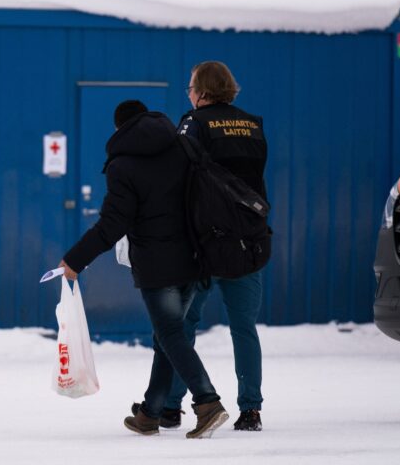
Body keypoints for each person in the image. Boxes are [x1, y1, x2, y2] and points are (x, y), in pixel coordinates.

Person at [59, 100, 229, 438]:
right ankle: (151, 412)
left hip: (157, 264)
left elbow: (111, 224)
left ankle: (207, 401)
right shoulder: (184, 145)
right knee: (167, 336)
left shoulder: (124, 165)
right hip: (194, 257)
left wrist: (75, 260)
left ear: (119, 127)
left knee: (169, 334)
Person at [164, 61, 268, 432]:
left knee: (182, 326)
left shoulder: (194, 123)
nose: (188, 93)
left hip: (204, 245)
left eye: (191, 86)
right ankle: (251, 410)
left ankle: (172, 406)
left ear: (203, 90)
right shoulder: (253, 124)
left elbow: (177, 179)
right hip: (248, 243)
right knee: (244, 328)